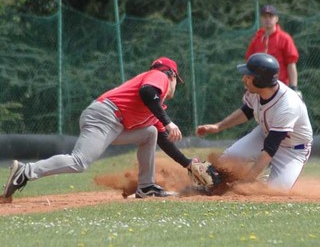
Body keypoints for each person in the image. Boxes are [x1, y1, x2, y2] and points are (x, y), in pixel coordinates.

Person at [3, 57, 195, 199]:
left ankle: (146, 187)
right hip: (104, 116)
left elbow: (164, 139)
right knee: (79, 162)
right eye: (177, 80)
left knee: (150, 133)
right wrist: (169, 122)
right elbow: (147, 91)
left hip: (114, 124)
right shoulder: (159, 75)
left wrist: (188, 164)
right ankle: (26, 171)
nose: (176, 85)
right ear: (172, 76)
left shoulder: (155, 107)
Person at [196, 53, 313, 190]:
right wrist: (218, 126)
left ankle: (262, 179)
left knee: (274, 191)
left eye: (248, 76)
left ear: (260, 81)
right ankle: (210, 184)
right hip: (265, 134)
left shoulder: (288, 106)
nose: (243, 79)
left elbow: (270, 149)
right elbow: (247, 111)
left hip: (292, 150)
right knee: (227, 160)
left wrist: (246, 182)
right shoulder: (255, 91)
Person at [245, 5, 300, 91]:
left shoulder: (285, 38)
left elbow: (291, 63)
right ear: (261, 19)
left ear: (276, 18)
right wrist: (247, 86)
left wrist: (294, 87)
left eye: (270, 16)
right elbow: (250, 65)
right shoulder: (256, 39)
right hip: (259, 87)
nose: (267, 19)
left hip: (279, 86)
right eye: (264, 16)